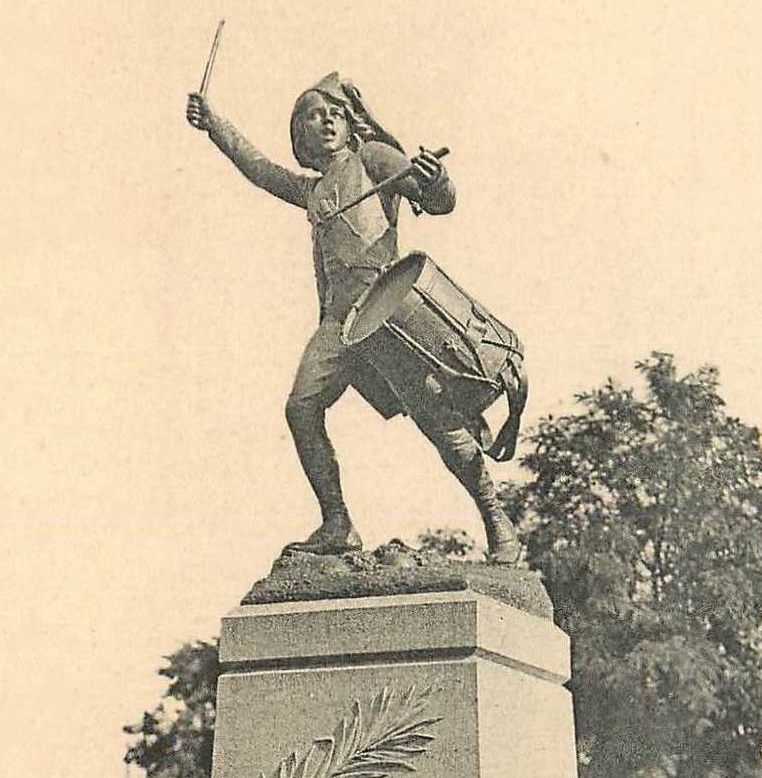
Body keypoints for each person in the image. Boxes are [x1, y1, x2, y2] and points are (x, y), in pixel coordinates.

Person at [185, 74, 521, 564]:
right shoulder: (314, 189)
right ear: (299, 136)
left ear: (350, 125)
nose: (325, 121)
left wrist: (435, 180)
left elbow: (440, 202)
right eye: (312, 116)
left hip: (388, 315)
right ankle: (338, 523)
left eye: (334, 114)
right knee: (301, 408)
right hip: (340, 325)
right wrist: (213, 124)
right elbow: (258, 169)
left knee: (441, 426)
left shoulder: (375, 160)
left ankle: (498, 523)